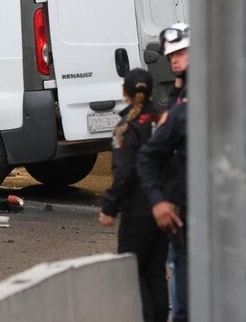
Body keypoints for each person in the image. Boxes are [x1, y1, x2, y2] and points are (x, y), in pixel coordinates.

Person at [99, 68, 168, 322]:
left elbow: (124, 172)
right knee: (155, 273)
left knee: (132, 273)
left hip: (136, 211)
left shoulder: (125, 128)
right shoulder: (163, 121)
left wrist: (109, 207)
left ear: (124, 93)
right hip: (162, 206)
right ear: (151, 92)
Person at [137, 22, 190, 322]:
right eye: (171, 56)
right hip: (184, 211)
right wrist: (159, 200)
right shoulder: (181, 99)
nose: (175, 60)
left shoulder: (201, 98)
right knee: (184, 299)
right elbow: (151, 155)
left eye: (181, 53)